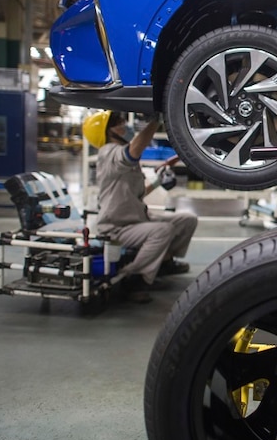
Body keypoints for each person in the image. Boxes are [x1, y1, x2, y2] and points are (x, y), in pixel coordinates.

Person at [82, 110, 198, 303]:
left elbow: (136, 194)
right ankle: (133, 279)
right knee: (162, 230)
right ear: (108, 133)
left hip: (137, 220)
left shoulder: (119, 159)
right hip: (117, 227)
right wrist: (155, 121)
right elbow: (133, 151)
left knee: (187, 220)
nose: (124, 124)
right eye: (118, 122)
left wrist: (158, 182)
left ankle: (163, 263)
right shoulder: (108, 153)